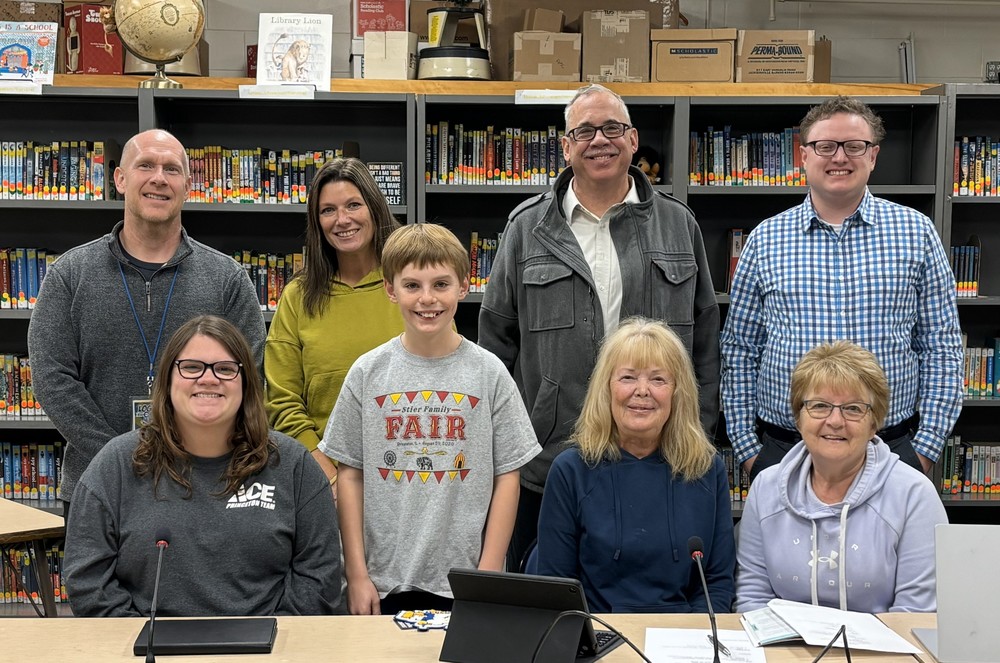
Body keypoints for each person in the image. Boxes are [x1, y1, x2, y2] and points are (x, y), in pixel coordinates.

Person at [479, 83, 720, 571]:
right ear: (565, 148)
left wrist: (700, 431)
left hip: (660, 453)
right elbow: (495, 343)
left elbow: (706, 342)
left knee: (652, 591)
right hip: (548, 457)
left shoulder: (678, 225)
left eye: (612, 128)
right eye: (584, 130)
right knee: (548, 597)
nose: (599, 140)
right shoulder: (527, 227)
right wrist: (504, 448)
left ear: (633, 140)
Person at [721, 96, 962, 484]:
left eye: (854, 146)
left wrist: (926, 449)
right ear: (803, 156)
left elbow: (941, 345)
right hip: (785, 449)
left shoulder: (916, 233)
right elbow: (739, 349)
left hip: (891, 449)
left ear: (873, 156)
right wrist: (749, 451)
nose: (839, 157)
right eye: (825, 146)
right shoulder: (766, 239)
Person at [28, 129, 266, 521]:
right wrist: (120, 455)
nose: (159, 178)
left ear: (188, 186)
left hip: (202, 485)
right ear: (120, 179)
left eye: (172, 169)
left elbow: (248, 374)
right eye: (146, 166)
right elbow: (52, 378)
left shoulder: (227, 278)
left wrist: (191, 454)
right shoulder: (70, 273)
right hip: (98, 485)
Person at [321, 223, 540, 615]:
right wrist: (355, 574)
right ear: (391, 290)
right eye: (412, 286)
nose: (427, 299)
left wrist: (487, 575)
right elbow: (350, 474)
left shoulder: (489, 373)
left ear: (464, 286)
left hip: (466, 580)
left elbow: (507, 475)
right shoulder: (367, 373)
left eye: (441, 284)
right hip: (382, 581)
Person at [64, 315, 341, 617]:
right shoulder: (115, 464)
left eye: (225, 369)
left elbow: (319, 576)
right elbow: (88, 579)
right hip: (148, 651)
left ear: (247, 383)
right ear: (166, 380)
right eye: (192, 367)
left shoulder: (293, 465)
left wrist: (275, 640)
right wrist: (138, 638)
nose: (208, 379)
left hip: (267, 651)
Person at [536, 317, 735, 614]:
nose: (642, 391)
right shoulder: (571, 470)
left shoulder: (707, 469)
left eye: (658, 379)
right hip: (597, 635)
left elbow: (717, 583)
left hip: (684, 641)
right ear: (606, 389)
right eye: (628, 377)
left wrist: (692, 642)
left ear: (678, 393)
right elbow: (556, 586)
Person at [735, 341, 947, 613]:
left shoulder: (914, 495)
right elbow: (752, 597)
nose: (835, 421)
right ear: (799, 419)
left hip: (879, 653)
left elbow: (916, 613)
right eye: (820, 406)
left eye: (853, 408)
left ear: (874, 423)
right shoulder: (766, 488)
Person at [265, 157, 403, 491]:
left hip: (408, 474)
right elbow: (281, 403)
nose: (342, 220)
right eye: (328, 210)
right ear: (317, 221)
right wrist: (331, 478)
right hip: (323, 482)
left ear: (374, 208)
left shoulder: (410, 285)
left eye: (353, 205)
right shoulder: (298, 296)